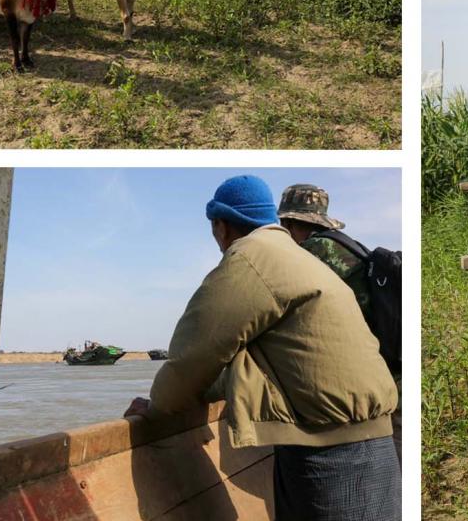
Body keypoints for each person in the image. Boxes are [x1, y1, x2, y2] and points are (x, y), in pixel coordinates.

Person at [125, 175, 400, 521]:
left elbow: (191, 357)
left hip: (333, 454)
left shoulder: (251, 258)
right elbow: (268, 369)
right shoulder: (300, 259)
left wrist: (157, 408)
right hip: (369, 444)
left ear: (220, 227)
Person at [277, 183, 403, 463]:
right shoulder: (350, 245)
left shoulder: (312, 252)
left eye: (284, 224)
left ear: (289, 222)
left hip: (379, 376)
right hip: (392, 367)